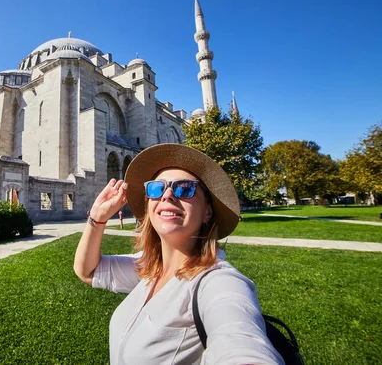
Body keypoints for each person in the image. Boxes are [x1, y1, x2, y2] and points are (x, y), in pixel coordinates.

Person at [74, 144, 283, 364]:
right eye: (156, 188)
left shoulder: (219, 282)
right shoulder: (149, 269)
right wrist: (97, 218)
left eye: (185, 188)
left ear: (207, 211)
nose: (168, 195)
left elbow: (241, 343)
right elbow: (88, 271)